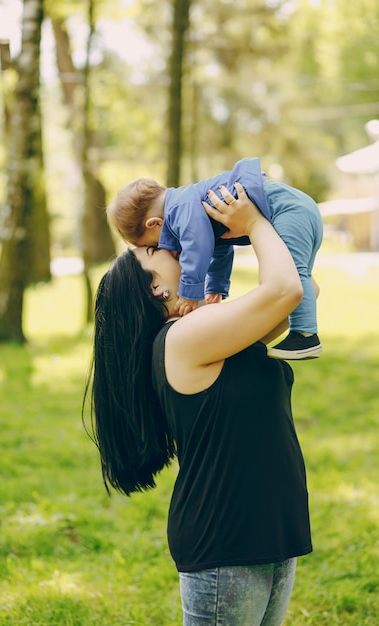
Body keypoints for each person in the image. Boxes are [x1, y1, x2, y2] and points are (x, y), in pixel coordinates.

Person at [84, 183, 313, 626]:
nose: (170, 241)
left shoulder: (203, 327)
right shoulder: (183, 338)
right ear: (155, 288)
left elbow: (300, 290)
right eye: (157, 250)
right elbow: (285, 289)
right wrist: (252, 222)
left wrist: (259, 229)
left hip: (269, 528)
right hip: (226, 540)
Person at [106, 157, 323, 360]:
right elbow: (220, 247)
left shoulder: (181, 208)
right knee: (298, 274)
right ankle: (303, 331)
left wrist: (190, 291)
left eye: (154, 246)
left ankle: (305, 335)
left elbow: (198, 244)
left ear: (154, 223)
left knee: (296, 273)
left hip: (286, 210)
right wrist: (217, 285)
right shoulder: (190, 210)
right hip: (294, 210)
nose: (168, 250)